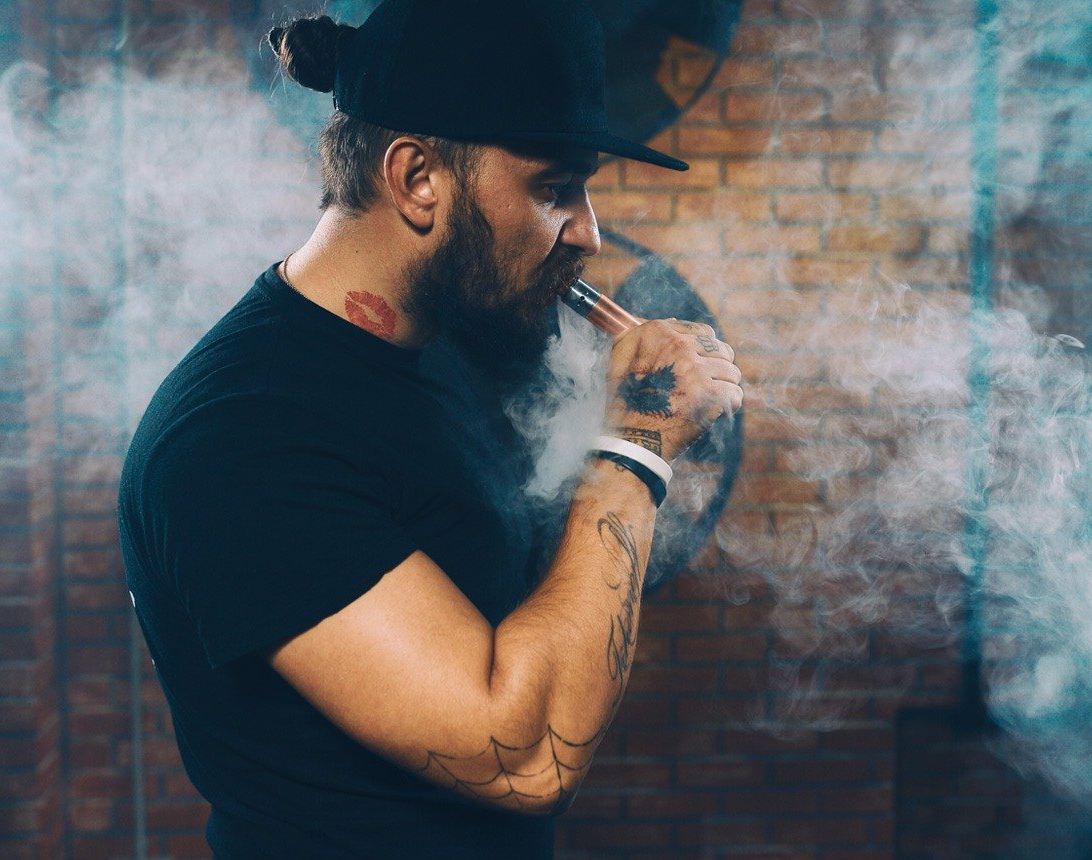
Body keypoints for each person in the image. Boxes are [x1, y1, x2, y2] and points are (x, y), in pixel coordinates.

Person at [116, 0, 744, 856]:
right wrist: (634, 449)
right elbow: (526, 756)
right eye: (554, 188)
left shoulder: (463, 340)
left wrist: (638, 428)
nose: (589, 232)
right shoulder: (240, 437)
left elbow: (539, 591)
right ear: (416, 178)